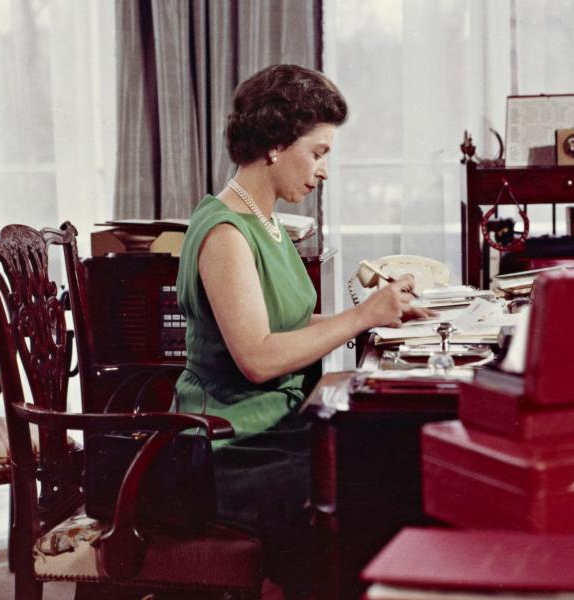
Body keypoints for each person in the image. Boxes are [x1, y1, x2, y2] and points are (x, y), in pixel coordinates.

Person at [174, 64, 433, 599]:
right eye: (317, 152)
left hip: (275, 429)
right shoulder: (226, 231)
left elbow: (286, 326)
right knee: (364, 497)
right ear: (274, 144)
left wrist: (383, 314)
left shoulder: (266, 222)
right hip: (227, 447)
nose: (324, 170)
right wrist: (360, 318)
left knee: (392, 460)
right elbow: (259, 358)